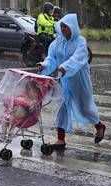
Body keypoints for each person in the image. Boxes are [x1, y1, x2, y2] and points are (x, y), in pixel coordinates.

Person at [37, 13, 106, 150]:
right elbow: (52, 58)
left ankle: (99, 126)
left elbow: (78, 59)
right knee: (62, 107)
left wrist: (64, 67)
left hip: (79, 80)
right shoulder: (58, 42)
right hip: (63, 80)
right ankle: (61, 139)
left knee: (85, 108)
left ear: (73, 27)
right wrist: (44, 65)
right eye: (61, 26)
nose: (63, 29)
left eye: (66, 27)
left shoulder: (80, 42)